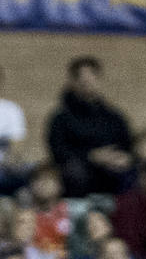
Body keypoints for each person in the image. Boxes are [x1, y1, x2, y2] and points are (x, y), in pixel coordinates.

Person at [45, 56, 134, 197]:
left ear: (98, 79)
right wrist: (91, 156)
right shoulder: (61, 119)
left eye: (91, 76)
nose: (86, 81)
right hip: (80, 172)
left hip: (112, 170)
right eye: (81, 78)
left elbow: (129, 144)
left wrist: (123, 157)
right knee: (75, 172)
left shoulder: (114, 117)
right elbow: (58, 152)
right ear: (73, 82)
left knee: (134, 171)